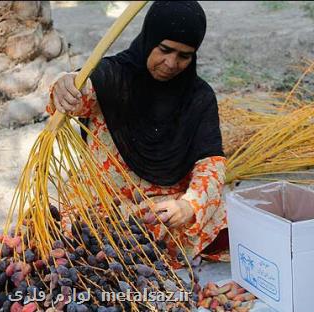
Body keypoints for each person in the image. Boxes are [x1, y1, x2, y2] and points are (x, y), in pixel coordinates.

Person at [46, 1, 229, 266]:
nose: (171, 63)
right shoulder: (111, 75)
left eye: (184, 55)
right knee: (76, 227)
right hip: (102, 205)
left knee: (216, 215)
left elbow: (211, 163)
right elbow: (73, 95)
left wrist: (189, 206)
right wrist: (62, 85)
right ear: (149, 38)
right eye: (164, 50)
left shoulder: (199, 97)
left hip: (161, 210)